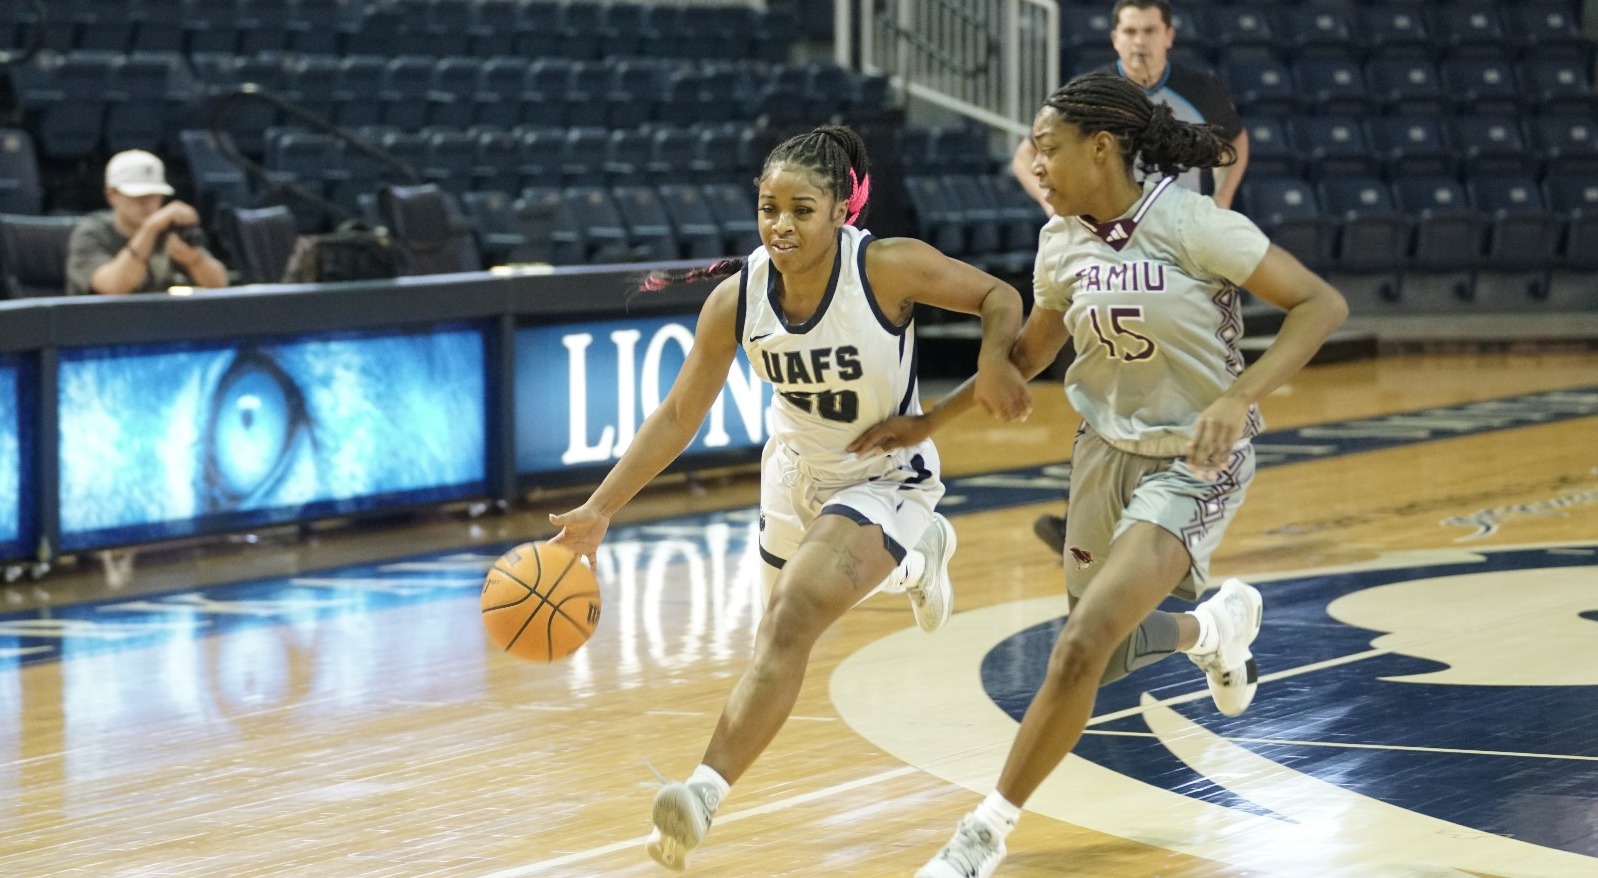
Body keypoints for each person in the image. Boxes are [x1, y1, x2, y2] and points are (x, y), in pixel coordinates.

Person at [848, 72, 1347, 878]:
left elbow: (1321, 305)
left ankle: (982, 834)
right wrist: (931, 420)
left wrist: (1242, 395)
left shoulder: (1192, 223)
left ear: (1102, 147)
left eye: (1047, 148)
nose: (1035, 165)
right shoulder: (1062, 240)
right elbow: (1033, 354)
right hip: (1101, 453)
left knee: (1080, 644)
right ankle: (1213, 630)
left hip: (1194, 459)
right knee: (1102, 656)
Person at [545, 124, 1033, 872]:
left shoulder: (888, 268)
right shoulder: (737, 299)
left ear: (842, 211)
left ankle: (699, 796)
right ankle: (920, 556)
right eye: (769, 208)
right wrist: (600, 508)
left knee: (794, 613)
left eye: (801, 209)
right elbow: (679, 415)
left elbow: (1000, 295)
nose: (781, 224)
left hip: (882, 474)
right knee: (774, 639)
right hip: (795, 476)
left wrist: (995, 358)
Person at [1017, 0, 1251, 556]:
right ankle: (1098, 517)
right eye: (1129, 30)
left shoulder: (1200, 88)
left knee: (1187, 383)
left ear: (1168, 36)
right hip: (1108, 255)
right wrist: (1060, 211)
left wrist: (1223, 195)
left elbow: (1235, 144)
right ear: (1114, 37)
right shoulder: (1088, 96)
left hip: (1183, 254)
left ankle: (1180, 509)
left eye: (1149, 30)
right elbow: (1027, 155)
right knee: (1109, 380)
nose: (1139, 40)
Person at [66, 149, 229, 296]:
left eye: (153, 195)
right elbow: (114, 287)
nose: (146, 203)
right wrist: (149, 229)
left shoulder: (170, 230)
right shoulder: (91, 233)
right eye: (137, 196)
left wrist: (194, 260)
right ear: (111, 195)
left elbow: (219, 284)